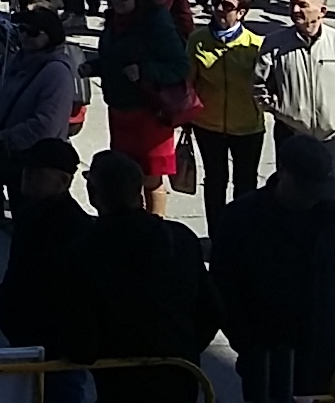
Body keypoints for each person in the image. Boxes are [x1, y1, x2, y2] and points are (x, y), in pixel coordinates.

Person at [213, 132, 335, 403]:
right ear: (283, 172)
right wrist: (250, 346)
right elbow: (225, 291)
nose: (313, 198)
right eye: (305, 187)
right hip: (269, 362)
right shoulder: (241, 219)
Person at [65, 151, 220, 403]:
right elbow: (211, 310)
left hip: (118, 378)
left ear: (93, 193)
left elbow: (81, 330)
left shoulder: (84, 250)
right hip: (177, 372)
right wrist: (182, 347)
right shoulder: (181, 238)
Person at [0, 138, 92, 403]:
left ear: (63, 181)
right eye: (27, 169)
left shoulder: (73, 228)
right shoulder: (30, 213)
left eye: (38, 172)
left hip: (57, 348)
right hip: (26, 335)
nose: (28, 175)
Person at [252, 0, 335, 193]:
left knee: (334, 197)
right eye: (293, 4)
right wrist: (279, 110)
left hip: (331, 138)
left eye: (303, 5)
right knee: (290, 197)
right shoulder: (274, 44)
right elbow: (260, 84)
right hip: (291, 137)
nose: (295, 10)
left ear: (322, 11)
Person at [93, 0, 190, 215]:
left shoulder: (156, 22)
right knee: (125, 176)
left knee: (150, 178)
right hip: (119, 109)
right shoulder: (113, 22)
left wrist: (145, 70)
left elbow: (180, 66)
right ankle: (128, 224)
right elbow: (112, 59)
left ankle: (155, 226)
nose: (116, 1)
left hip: (149, 114)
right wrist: (94, 66)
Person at [0, 5, 77, 221]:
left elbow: (47, 124)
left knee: (32, 222)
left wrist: (5, 137)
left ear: (50, 36)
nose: (24, 36)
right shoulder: (14, 61)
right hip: (9, 155)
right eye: (21, 29)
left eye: (32, 32)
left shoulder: (56, 72)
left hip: (35, 162)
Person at [188, 0, 265, 239]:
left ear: (241, 13)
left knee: (245, 185)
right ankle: (217, 235)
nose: (219, 10)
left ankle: (243, 237)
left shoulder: (256, 45)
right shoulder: (198, 40)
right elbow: (189, 81)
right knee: (214, 181)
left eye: (228, 6)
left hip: (247, 126)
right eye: (217, 3)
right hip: (207, 124)